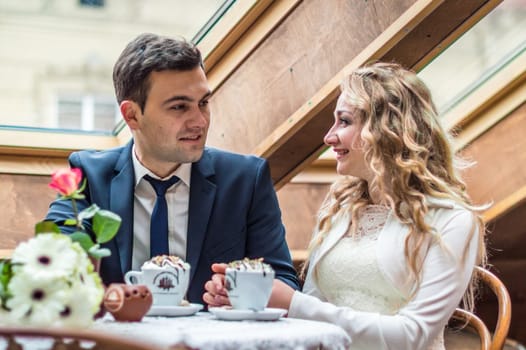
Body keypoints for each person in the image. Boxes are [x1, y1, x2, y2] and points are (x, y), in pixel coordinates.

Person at [204, 62, 486, 349]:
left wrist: (292, 302)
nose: (329, 137)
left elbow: (413, 335)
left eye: (345, 121)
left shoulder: (451, 220)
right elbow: (309, 314)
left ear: (388, 129)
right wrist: (250, 299)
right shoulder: (340, 210)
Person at [45, 33, 299, 304]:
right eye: (179, 107)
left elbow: (284, 281)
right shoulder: (88, 176)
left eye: (203, 103)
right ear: (132, 115)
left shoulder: (246, 180)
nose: (200, 121)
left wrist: (238, 292)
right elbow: (52, 271)